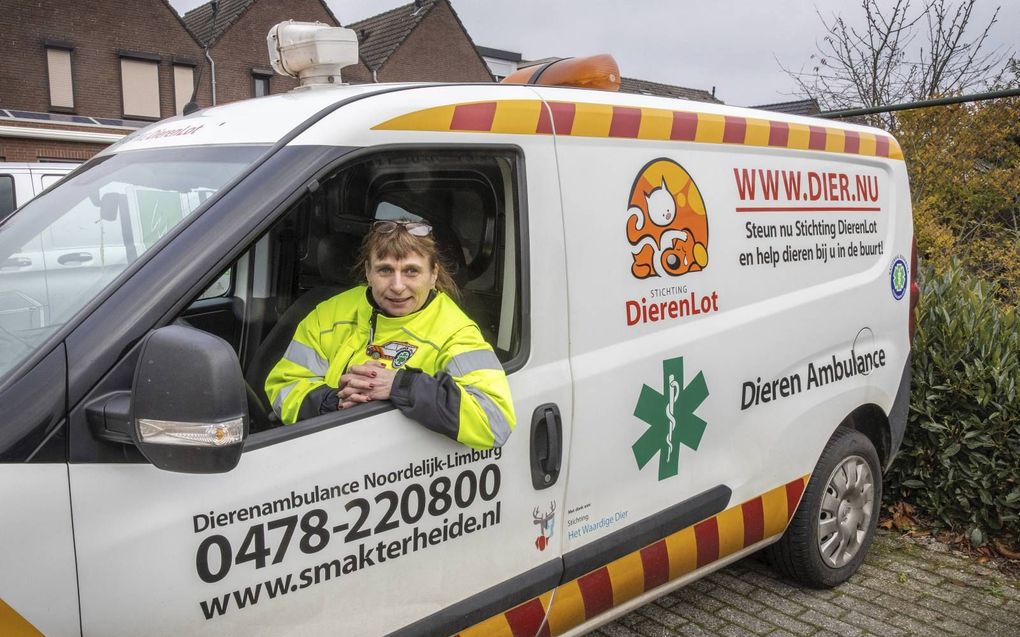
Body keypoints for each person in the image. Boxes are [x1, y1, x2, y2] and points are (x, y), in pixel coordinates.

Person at [265, 219, 515, 450]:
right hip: (325, 459)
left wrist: (401, 385)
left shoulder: (455, 331)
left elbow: (494, 420)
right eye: (385, 270)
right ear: (368, 272)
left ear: (433, 274)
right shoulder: (330, 314)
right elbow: (282, 387)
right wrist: (333, 401)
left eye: (411, 271)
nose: (397, 286)